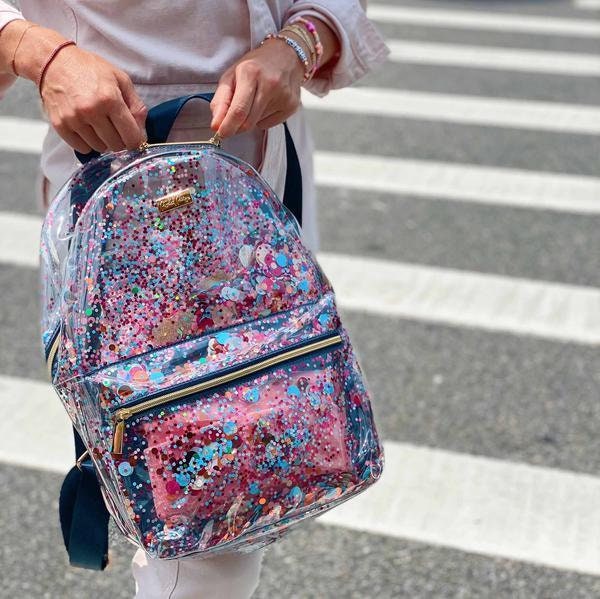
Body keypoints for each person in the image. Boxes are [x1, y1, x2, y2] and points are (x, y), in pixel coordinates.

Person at [0, 1, 387, 597]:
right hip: (123, 191)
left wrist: (299, 45)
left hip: (258, 183)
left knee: (247, 483)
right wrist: (37, 52)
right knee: (207, 523)